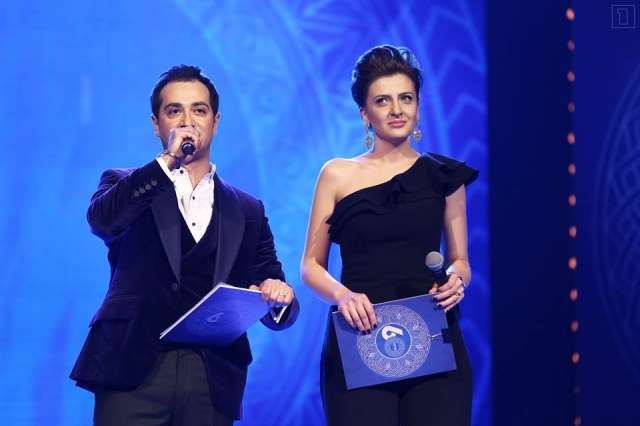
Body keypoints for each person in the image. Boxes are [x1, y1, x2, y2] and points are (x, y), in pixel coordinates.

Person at [70, 65, 299, 426]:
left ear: (216, 122)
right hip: (132, 367)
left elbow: (273, 289)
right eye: (174, 111)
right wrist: (167, 162)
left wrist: (278, 297)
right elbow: (102, 221)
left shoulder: (247, 209)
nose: (188, 121)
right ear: (156, 124)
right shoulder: (127, 184)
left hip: (212, 375)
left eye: (199, 110)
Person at [300, 45, 477, 426]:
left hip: (434, 340)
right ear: (364, 113)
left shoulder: (445, 177)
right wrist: (343, 296)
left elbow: (461, 261)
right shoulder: (337, 175)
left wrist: (456, 281)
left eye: (406, 98)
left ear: (418, 107)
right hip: (360, 338)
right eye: (383, 101)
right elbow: (311, 266)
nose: (397, 109)